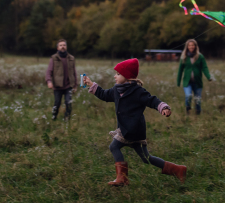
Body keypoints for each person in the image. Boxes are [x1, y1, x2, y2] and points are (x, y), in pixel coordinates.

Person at [83, 58, 187, 186]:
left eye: (118, 74)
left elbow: (152, 100)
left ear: (128, 77)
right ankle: (178, 170)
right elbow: (104, 95)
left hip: (134, 130)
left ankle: (122, 178)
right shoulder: (117, 89)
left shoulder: (137, 91)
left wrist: (163, 107)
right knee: (146, 158)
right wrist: (91, 84)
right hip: (127, 129)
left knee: (114, 146)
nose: (115, 76)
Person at [45, 39, 78, 120]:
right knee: (57, 103)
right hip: (57, 86)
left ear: (66, 47)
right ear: (57, 48)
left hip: (68, 85)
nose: (62, 47)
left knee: (68, 103)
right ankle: (54, 117)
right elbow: (49, 71)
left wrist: (75, 85)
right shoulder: (53, 58)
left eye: (64, 45)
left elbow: (74, 72)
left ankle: (67, 119)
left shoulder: (71, 58)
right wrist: (49, 81)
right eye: (61, 45)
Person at [177, 39, 212, 115]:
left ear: (195, 46)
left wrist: (208, 76)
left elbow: (204, 68)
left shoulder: (200, 56)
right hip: (187, 82)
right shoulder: (184, 57)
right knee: (188, 96)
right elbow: (180, 70)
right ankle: (188, 109)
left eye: (193, 45)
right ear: (187, 47)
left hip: (197, 82)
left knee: (198, 99)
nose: (191, 47)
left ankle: (198, 113)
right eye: (189, 45)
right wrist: (178, 81)